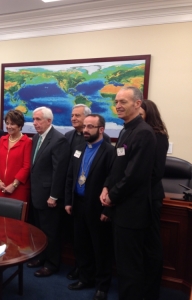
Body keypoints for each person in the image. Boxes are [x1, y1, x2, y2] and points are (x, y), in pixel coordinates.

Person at [100, 86, 156, 300]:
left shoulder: (143, 133)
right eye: (116, 102)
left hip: (132, 212)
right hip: (120, 209)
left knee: (130, 267)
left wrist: (112, 196)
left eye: (123, 102)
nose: (118, 106)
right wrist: (106, 186)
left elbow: (135, 175)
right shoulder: (125, 129)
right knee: (122, 265)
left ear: (137, 104)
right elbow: (117, 166)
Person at [65, 114, 114, 300]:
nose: (85, 130)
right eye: (84, 126)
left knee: (100, 248)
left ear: (101, 129)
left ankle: (102, 286)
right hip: (78, 204)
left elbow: (113, 182)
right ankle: (85, 278)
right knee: (81, 245)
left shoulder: (110, 151)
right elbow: (70, 176)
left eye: (90, 127)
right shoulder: (78, 149)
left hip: (97, 207)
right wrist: (68, 201)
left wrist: (106, 210)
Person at [27, 106, 70, 277]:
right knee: (39, 230)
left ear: (49, 121)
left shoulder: (59, 140)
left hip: (49, 196)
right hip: (36, 193)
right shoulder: (37, 137)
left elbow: (59, 171)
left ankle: (52, 264)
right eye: (34, 119)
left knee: (51, 232)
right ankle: (41, 257)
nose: (34, 123)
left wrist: (54, 195)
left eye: (38, 119)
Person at [140, 99, 169, 300]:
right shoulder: (136, 134)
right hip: (136, 200)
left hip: (150, 198)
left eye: (140, 115)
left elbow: (155, 172)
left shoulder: (158, 137)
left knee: (151, 245)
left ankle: (151, 291)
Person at [0, 110, 32, 211]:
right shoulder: (2, 139)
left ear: (20, 126)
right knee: (0, 218)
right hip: (1, 187)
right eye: (7, 123)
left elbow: (26, 167)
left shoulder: (27, 142)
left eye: (12, 124)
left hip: (18, 189)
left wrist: (14, 185)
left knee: (17, 221)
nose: (9, 126)